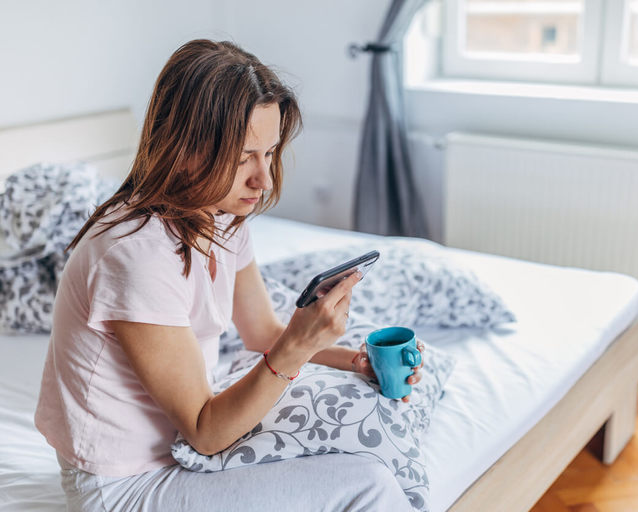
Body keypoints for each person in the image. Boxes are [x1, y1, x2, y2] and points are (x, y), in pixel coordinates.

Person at [34, 39, 422, 511]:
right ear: (184, 150)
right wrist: (297, 346)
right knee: (369, 484)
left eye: (270, 152)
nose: (264, 179)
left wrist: (355, 362)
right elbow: (205, 431)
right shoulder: (134, 254)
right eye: (243, 159)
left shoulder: (220, 217)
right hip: (127, 483)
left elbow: (261, 332)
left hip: (184, 447)